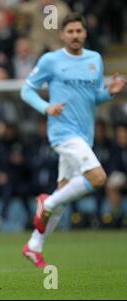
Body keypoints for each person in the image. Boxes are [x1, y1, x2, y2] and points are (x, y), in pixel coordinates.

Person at [20, 12, 126, 267]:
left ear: (85, 33)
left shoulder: (95, 59)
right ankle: (46, 203)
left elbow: (92, 97)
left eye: (79, 31)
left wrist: (108, 93)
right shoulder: (51, 60)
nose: (75, 36)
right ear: (62, 35)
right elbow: (26, 90)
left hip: (84, 134)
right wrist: (46, 107)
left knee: (64, 194)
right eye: (71, 32)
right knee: (98, 177)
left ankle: (34, 245)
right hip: (62, 132)